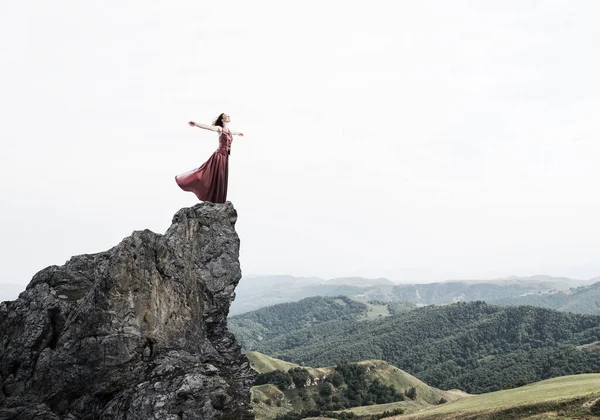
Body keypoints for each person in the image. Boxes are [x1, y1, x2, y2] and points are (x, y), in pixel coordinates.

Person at [175, 113, 244, 203]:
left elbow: (234, 133)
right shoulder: (220, 129)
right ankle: (186, 181)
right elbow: (208, 127)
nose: (229, 116)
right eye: (226, 116)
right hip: (219, 156)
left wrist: (239, 133)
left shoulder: (229, 131)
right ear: (222, 120)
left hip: (225, 157)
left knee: (221, 178)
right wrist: (196, 124)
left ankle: (218, 199)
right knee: (206, 173)